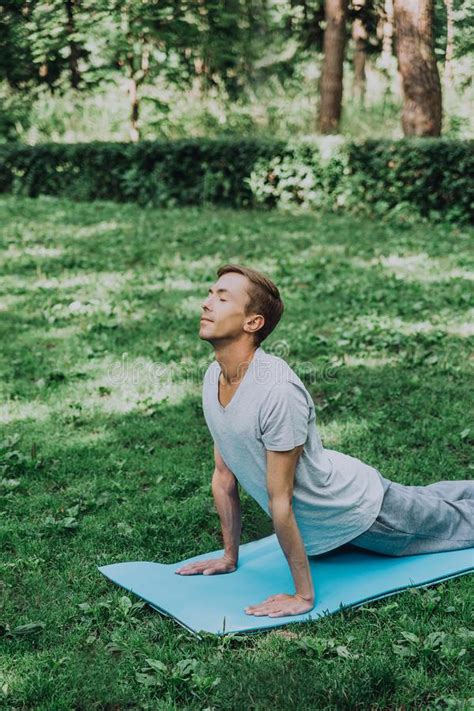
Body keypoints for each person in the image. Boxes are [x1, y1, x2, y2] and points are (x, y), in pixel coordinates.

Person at [175, 264, 474, 619]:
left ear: (252, 323)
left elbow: (280, 500)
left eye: (222, 298)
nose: (207, 303)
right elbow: (224, 477)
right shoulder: (213, 376)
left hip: (359, 513)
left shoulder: (276, 392)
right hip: (339, 494)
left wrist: (303, 596)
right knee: (433, 498)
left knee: (458, 521)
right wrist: (229, 556)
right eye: (211, 294)